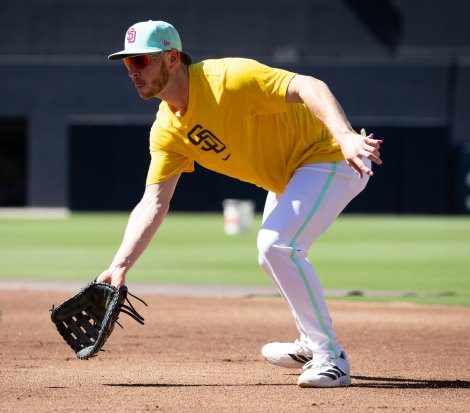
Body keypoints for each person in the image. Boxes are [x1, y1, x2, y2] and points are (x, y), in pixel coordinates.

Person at [98, 20, 382, 388]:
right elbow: (154, 201)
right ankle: (312, 344)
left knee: (276, 245)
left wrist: (344, 137)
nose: (132, 72)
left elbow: (310, 85)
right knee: (271, 255)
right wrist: (119, 266)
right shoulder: (167, 129)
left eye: (140, 61)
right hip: (291, 174)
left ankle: (332, 357)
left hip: (332, 157)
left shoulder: (228, 79)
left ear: (171, 59)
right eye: (127, 64)